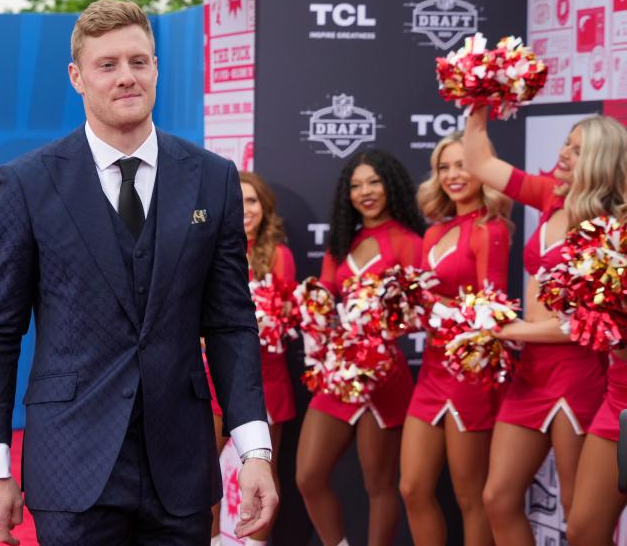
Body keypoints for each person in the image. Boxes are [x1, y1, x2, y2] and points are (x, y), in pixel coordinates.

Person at [0, 0, 278, 546]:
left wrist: (253, 450)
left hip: (179, 467)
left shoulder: (212, 178)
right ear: (77, 77)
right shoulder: (28, 183)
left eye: (139, 61)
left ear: (156, 68)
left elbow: (230, 323)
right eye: (107, 64)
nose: (126, 77)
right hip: (71, 465)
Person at [463, 106, 627, 546]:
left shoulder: (613, 231)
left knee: (582, 517)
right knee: (498, 498)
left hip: (581, 374)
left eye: (578, 149)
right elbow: (479, 163)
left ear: (600, 161)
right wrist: (478, 101)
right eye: (566, 144)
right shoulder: (550, 197)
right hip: (531, 372)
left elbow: (592, 325)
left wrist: (510, 330)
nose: (564, 153)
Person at [296, 150, 425, 546]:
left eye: (373, 182)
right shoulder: (343, 241)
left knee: (379, 484)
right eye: (356, 185)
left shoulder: (409, 242)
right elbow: (325, 297)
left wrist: (388, 317)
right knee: (308, 475)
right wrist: (307, 301)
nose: (365, 192)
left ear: (391, 186)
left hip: (385, 375)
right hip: (340, 372)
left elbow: (418, 310)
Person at [400, 132, 512, 546]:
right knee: (412, 488)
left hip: (469, 374)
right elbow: (427, 300)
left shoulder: (490, 228)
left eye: (462, 164)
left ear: (483, 168)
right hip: (432, 370)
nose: (452, 175)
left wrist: (441, 308)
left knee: (470, 495)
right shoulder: (434, 233)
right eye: (443, 167)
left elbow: (490, 307)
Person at [208, 172, 296, 546]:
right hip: (213, 379)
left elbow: (287, 315)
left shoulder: (280, 255)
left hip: (266, 381)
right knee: (203, 474)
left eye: (253, 201)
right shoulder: (212, 250)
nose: (245, 210)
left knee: (263, 473)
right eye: (238, 201)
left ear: (265, 207)